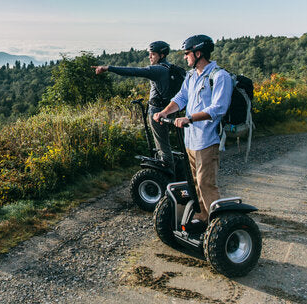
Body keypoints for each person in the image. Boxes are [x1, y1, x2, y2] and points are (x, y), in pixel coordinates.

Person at [153, 35, 233, 224]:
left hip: (207, 139)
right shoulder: (191, 76)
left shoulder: (220, 76)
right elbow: (181, 98)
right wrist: (164, 112)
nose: (184, 57)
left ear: (198, 53)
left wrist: (189, 118)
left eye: (187, 53)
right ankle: (203, 216)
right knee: (195, 182)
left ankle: (219, 224)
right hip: (190, 140)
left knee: (206, 183)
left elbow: (218, 108)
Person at [92, 41, 177, 169]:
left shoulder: (157, 70)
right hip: (168, 110)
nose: (150, 57)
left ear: (162, 55)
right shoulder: (170, 68)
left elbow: (133, 71)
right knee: (165, 143)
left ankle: (168, 174)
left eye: (153, 54)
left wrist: (108, 68)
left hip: (157, 112)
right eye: (150, 54)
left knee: (162, 147)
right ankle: (171, 170)